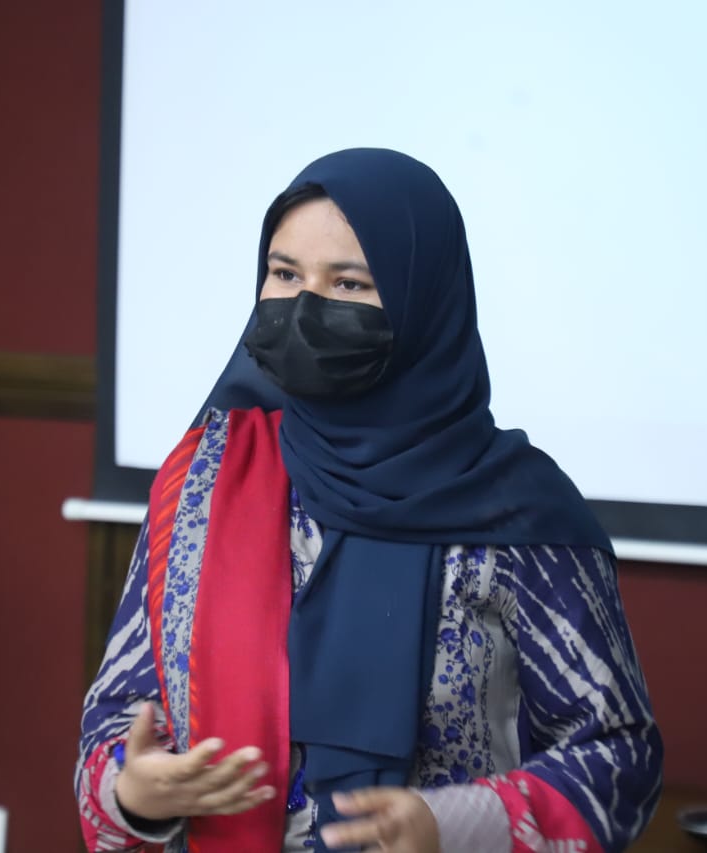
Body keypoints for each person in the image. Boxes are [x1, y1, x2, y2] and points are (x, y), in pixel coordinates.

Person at [75, 148, 663, 852]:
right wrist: (132, 791)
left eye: (349, 283)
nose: (305, 307)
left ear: (423, 301)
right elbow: (117, 715)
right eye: (285, 274)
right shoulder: (206, 475)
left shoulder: (516, 512)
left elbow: (618, 755)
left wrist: (453, 825)